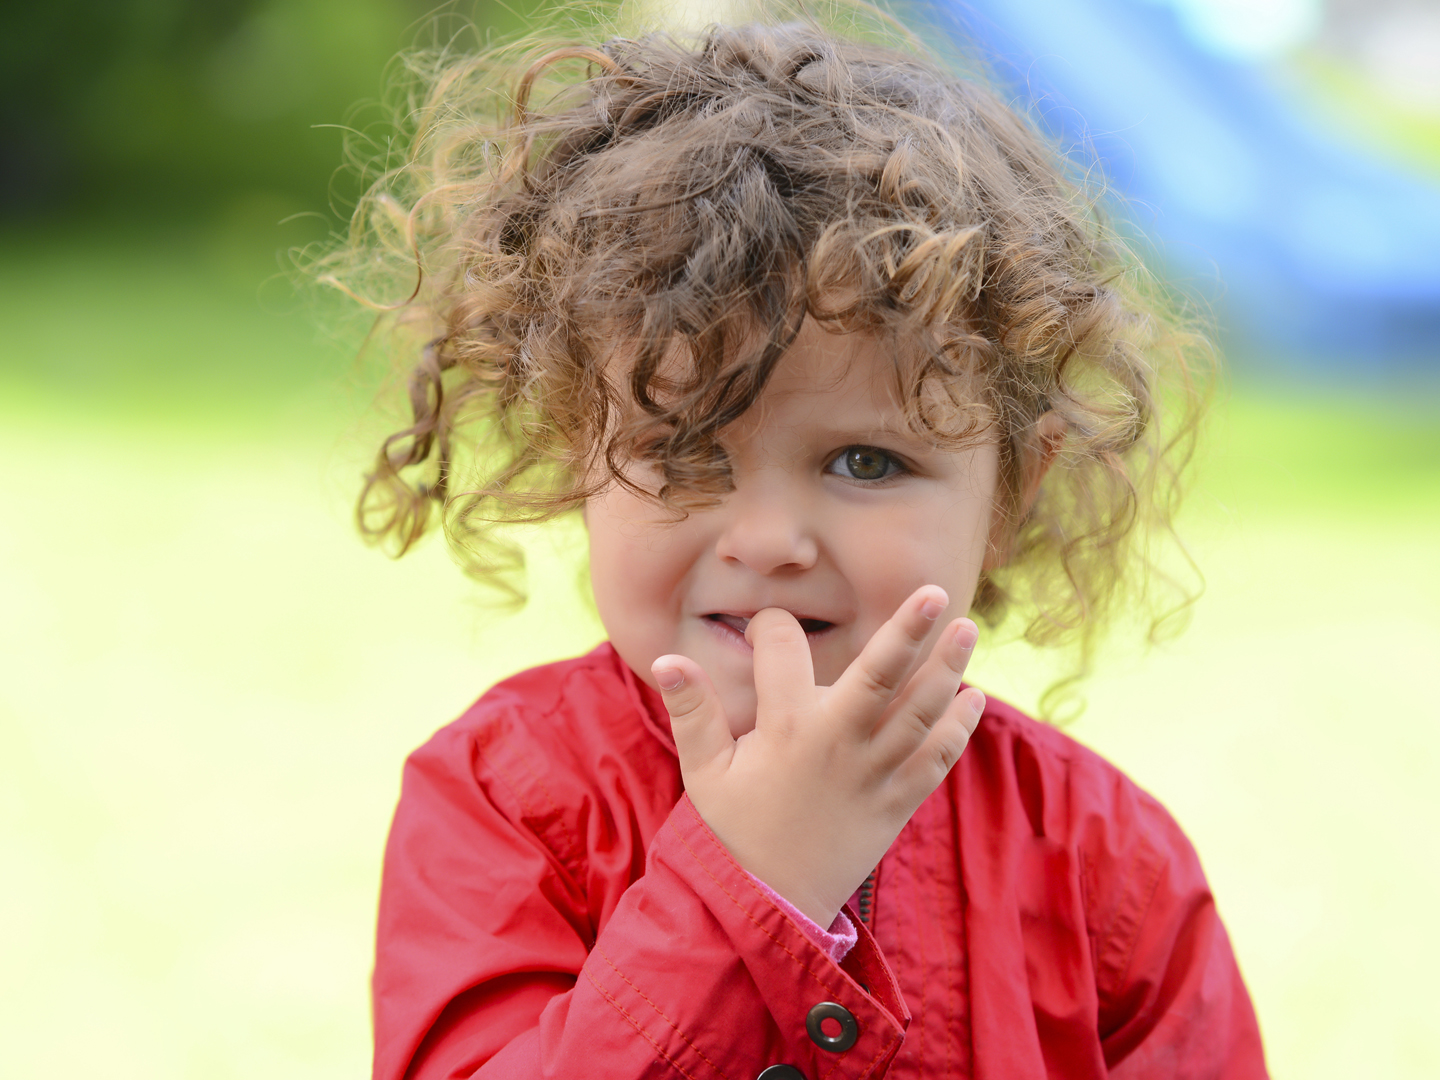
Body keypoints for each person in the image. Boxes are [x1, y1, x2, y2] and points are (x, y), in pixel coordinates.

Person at [321, 8, 1267, 1078]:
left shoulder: (1104, 861)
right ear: (573, 459)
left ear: (1011, 494)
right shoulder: (509, 800)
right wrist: (747, 880)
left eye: (866, 463)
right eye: (684, 453)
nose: (769, 541)